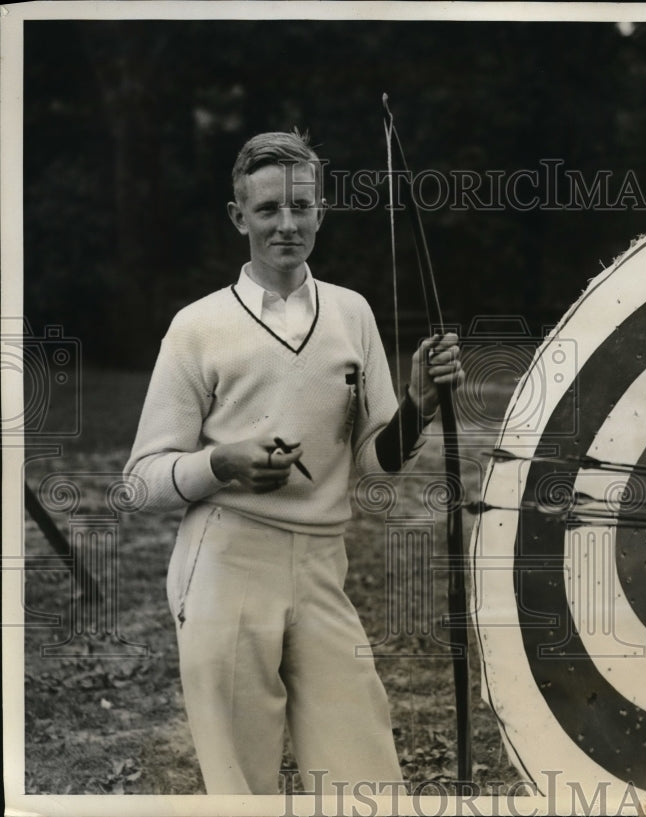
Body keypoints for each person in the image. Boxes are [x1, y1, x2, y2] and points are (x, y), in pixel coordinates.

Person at [124, 130, 463, 795]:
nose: (288, 223)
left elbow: (376, 455)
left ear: (321, 210)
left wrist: (419, 404)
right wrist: (222, 463)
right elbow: (140, 480)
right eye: (269, 208)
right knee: (242, 786)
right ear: (238, 217)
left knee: (366, 781)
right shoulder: (197, 326)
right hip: (227, 564)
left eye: (302, 207)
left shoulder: (351, 313)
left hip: (320, 566)